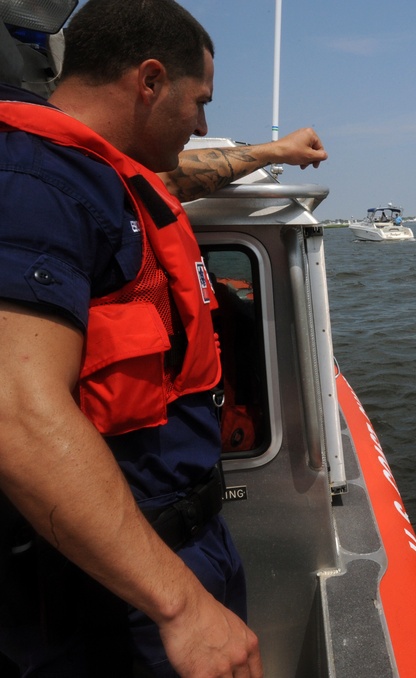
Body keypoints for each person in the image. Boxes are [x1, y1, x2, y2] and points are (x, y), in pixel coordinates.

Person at [0, 1, 326, 676]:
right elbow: (15, 410)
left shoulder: (108, 178)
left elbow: (178, 179)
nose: (203, 124)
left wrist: (274, 153)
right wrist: (179, 606)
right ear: (149, 81)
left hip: (180, 544)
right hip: (112, 587)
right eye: (198, 102)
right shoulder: (29, 185)